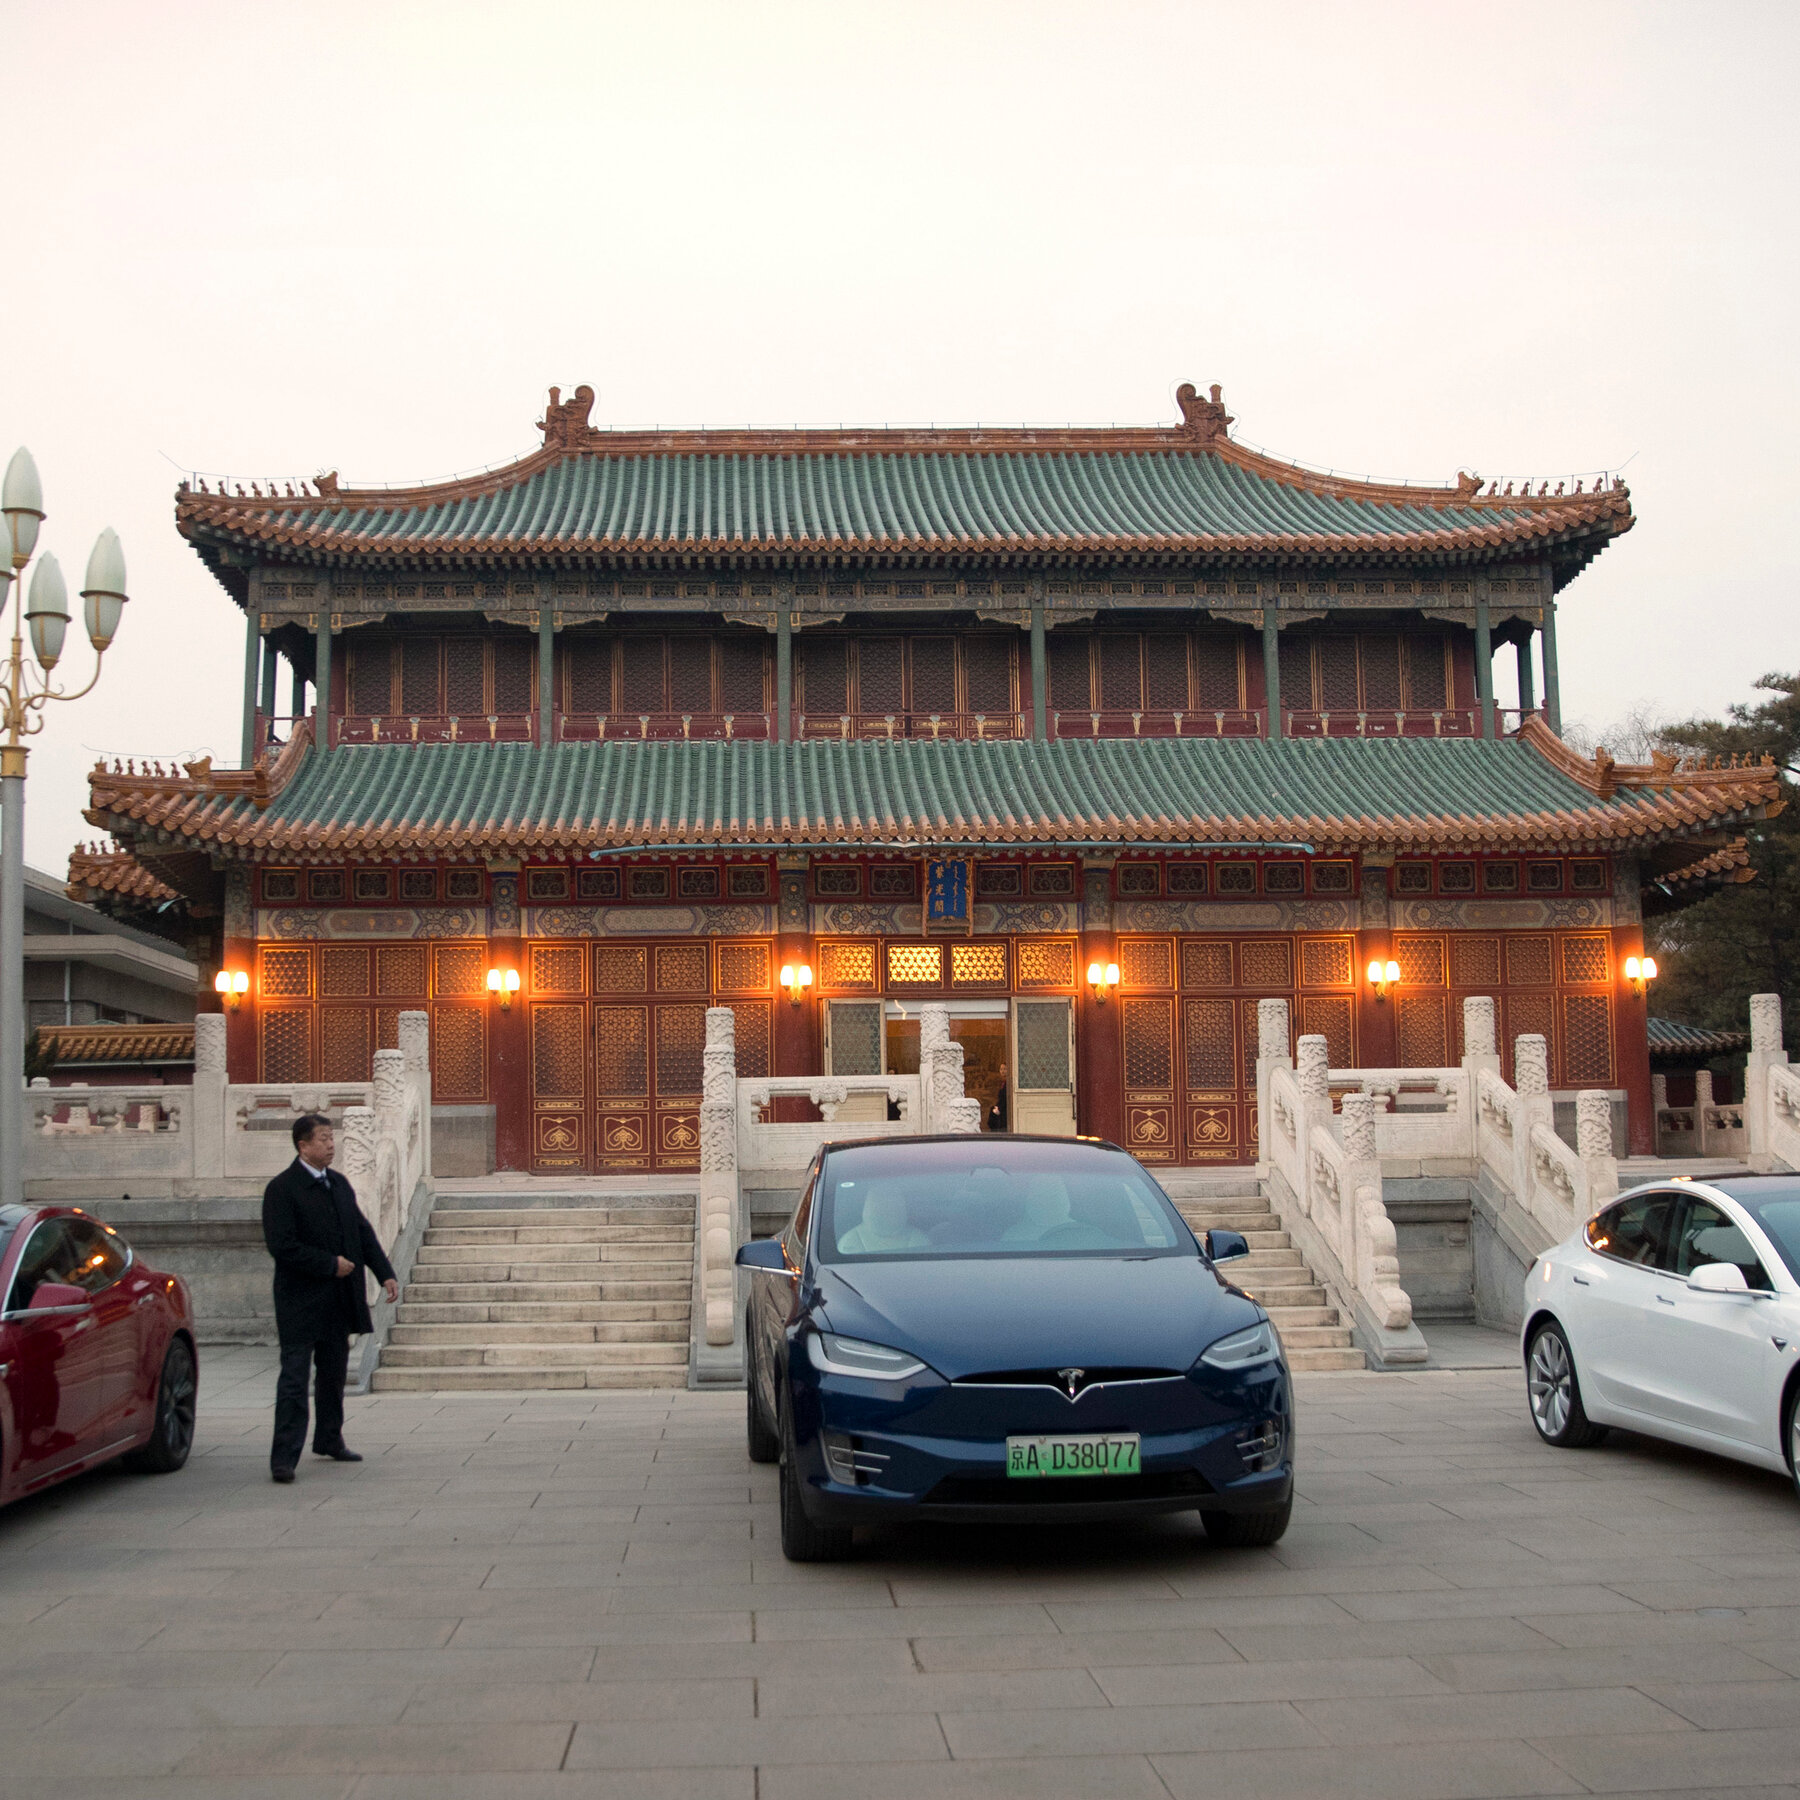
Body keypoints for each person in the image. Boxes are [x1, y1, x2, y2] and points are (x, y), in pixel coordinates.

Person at [262, 1113, 398, 1483]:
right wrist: (327, 1264)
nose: (330, 1144)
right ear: (302, 1145)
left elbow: (362, 1230)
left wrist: (384, 1271)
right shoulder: (282, 1189)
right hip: (300, 1300)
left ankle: (329, 1439)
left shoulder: (338, 1184)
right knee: (294, 1378)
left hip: (338, 1297)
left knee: (333, 1373)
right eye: (322, 1139)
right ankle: (284, 1456)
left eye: (331, 1138)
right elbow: (282, 1246)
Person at [836, 1182, 930, 1254]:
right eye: (881, 1204)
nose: (887, 1208)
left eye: (892, 1204)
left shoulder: (919, 1241)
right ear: (869, 1206)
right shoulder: (850, 1242)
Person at [987, 1063, 1008, 1133]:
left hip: (1005, 1108)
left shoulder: (1009, 1083)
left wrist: (999, 1109)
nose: (1003, 1071)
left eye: (1005, 1069)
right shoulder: (1003, 1083)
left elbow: (1005, 1098)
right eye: (1001, 1069)